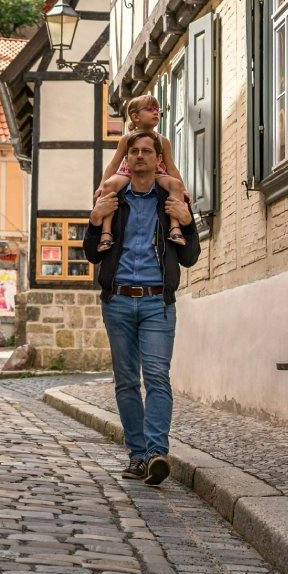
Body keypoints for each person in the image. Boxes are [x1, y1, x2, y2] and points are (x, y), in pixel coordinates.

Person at [84, 129, 198, 484]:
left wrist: (188, 223)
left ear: (157, 158)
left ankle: (156, 453)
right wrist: (94, 221)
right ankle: (137, 455)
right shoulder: (113, 198)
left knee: (157, 376)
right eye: (133, 150)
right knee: (127, 381)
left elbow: (190, 257)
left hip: (157, 303)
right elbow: (92, 254)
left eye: (147, 150)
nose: (139, 155)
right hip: (118, 300)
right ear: (127, 158)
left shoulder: (171, 199)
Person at [95, 95, 189, 250]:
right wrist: (101, 186)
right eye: (150, 109)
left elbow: (171, 167)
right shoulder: (127, 138)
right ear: (135, 116)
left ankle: (174, 228)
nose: (156, 112)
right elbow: (114, 164)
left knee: (176, 185)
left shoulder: (163, 141)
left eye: (157, 109)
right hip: (127, 172)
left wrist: (183, 189)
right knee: (109, 186)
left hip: (157, 173)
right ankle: (106, 233)